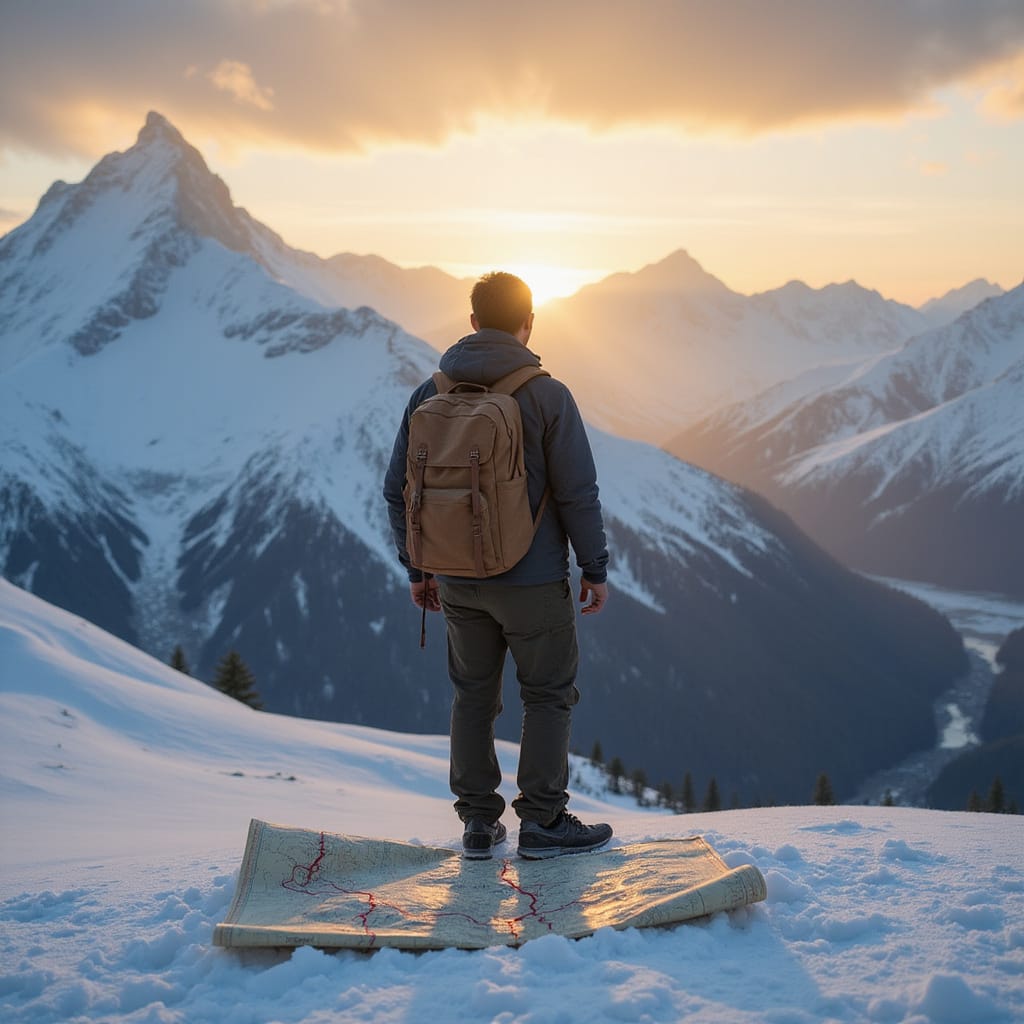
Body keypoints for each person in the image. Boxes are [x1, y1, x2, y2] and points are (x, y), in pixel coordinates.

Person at [383, 271, 613, 860]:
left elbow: (397, 491)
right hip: (533, 582)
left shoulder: (428, 393)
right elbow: (577, 493)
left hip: (457, 580)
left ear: (472, 322)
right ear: (528, 322)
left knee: (473, 696)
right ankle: (542, 820)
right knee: (548, 694)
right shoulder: (546, 395)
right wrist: (594, 567)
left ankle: (479, 824)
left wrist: (419, 569)